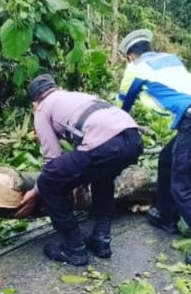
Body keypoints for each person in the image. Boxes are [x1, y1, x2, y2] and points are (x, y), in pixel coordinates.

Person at [116, 29, 191, 271]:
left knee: (183, 188)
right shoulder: (170, 60)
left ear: (130, 56)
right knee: (166, 158)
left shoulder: (136, 68)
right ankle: (166, 216)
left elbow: (121, 107)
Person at [18, 75, 143, 266]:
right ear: (56, 87)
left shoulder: (42, 109)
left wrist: (36, 191)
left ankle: (74, 247)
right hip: (133, 139)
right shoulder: (76, 96)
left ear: (35, 102)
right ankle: (102, 239)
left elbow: (52, 159)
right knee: (103, 176)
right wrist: (78, 180)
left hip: (106, 144)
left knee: (47, 182)